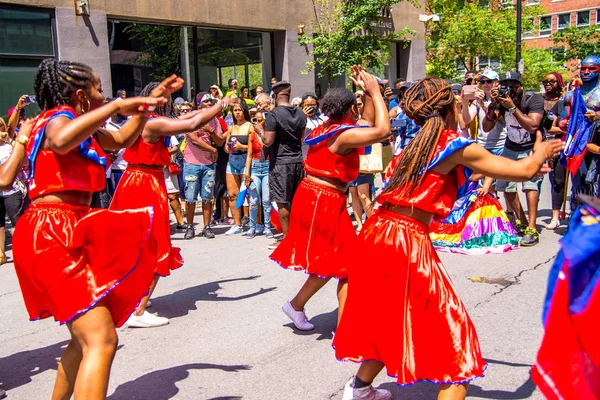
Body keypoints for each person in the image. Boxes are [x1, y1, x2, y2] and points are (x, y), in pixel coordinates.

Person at [332, 77, 562, 400]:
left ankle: (359, 388)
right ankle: (363, 388)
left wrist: (372, 91)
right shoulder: (452, 144)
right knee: (458, 350)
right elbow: (522, 171)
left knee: (391, 316)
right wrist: (541, 153)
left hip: (376, 233)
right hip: (403, 240)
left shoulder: (414, 143)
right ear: (452, 106)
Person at [12, 59, 174, 400]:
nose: (106, 95)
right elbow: (59, 142)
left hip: (65, 226)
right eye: (100, 90)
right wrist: (117, 105)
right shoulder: (60, 118)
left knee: (84, 337)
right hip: (51, 230)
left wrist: (144, 107)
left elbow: (118, 139)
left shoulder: (81, 124)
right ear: (82, 97)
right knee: (102, 339)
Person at [271, 66, 391, 331]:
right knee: (345, 264)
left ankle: (298, 305)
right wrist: (375, 91)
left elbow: (369, 124)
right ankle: (346, 327)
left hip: (319, 196)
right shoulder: (343, 134)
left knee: (339, 261)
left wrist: (367, 92)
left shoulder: (331, 127)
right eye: (356, 105)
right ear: (349, 109)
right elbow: (381, 131)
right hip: (322, 199)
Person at [111, 81, 229, 328]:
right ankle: (138, 309)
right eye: (164, 96)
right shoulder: (152, 122)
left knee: (136, 243)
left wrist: (205, 108)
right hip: (145, 183)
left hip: (135, 180)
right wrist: (220, 105)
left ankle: (132, 298)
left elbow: (189, 117)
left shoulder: (139, 120)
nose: (167, 100)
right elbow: (190, 124)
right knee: (154, 244)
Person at [483, 71, 545, 246]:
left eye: (513, 85)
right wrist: (494, 104)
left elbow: (533, 126)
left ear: (521, 86)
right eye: (505, 86)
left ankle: (532, 228)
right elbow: (487, 127)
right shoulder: (501, 101)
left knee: (529, 185)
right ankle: (522, 221)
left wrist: (511, 107)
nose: (509, 89)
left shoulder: (533, 99)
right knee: (505, 186)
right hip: (511, 147)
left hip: (531, 147)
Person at [263, 81, 306, 249]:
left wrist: (261, 132)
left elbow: (268, 140)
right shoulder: (301, 113)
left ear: (275, 95)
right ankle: (298, 234)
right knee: (296, 201)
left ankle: (288, 238)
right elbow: (301, 137)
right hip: (297, 161)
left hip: (281, 163)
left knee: (282, 201)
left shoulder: (273, 115)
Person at [182, 95, 225, 239]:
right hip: (191, 163)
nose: (209, 103)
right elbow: (193, 139)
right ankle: (190, 226)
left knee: (207, 197)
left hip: (208, 164)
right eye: (205, 101)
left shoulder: (215, 121)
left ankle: (207, 226)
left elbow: (220, 142)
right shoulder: (193, 118)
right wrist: (212, 150)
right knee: (190, 198)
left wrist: (210, 131)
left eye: (210, 101)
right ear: (199, 104)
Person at [0, 117, 28, 265]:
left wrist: (14, 142)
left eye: (0, 127)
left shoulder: (10, 145)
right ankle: (1, 253)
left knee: (17, 220)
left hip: (12, 190)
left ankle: (24, 251)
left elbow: (22, 162)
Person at [223, 101, 253, 235]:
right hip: (232, 160)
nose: (237, 113)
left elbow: (257, 146)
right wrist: (229, 148)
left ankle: (254, 223)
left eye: (240, 110)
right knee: (232, 194)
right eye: (235, 110)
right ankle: (237, 224)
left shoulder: (250, 126)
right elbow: (225, 147)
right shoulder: (231, 128)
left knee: (249, 194)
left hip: (246, 160)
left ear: (244, 111)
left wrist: (242, 147)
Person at [542, 72, 567, 230]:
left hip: (559, 144)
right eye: (545, 81)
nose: (548, 84)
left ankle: (556, 216)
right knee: (534, 181)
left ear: (559, 83)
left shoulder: (564, 102)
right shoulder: (537, 100)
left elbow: (554, 128)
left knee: (558, 181)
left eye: (552, 81)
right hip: (539, 144)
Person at [244, 110, 273, 238]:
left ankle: (267, 227)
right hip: (255, 167)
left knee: (266, 200)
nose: (257, 122)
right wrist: (247, 173)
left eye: (260, 119)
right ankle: (252, 227)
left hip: (267, 167)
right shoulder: (252, 135)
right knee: (254, 200)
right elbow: (249, 155)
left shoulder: (270, 135)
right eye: (255, 119)